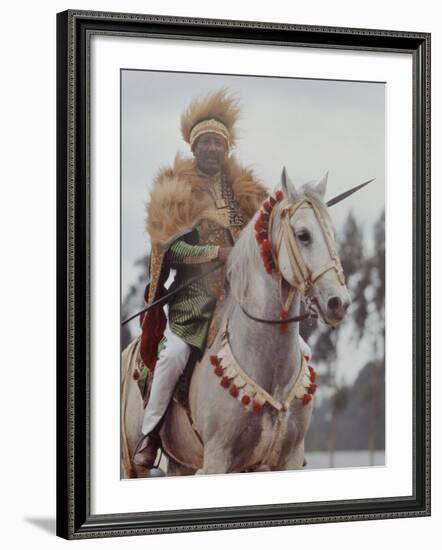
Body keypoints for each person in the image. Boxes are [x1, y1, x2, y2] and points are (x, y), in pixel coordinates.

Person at [132, 88, 267, 468]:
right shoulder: (177, 190)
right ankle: (151, 433)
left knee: (297, 349)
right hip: (195, 302)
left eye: (218, 143)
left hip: (241, 301)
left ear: (227, 149)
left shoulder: (248, 193)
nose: (211, 149)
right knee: (173, 356)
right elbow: (173, 250)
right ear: (193, 148)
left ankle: (284, 436)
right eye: (205, 142)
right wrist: (215, 253)